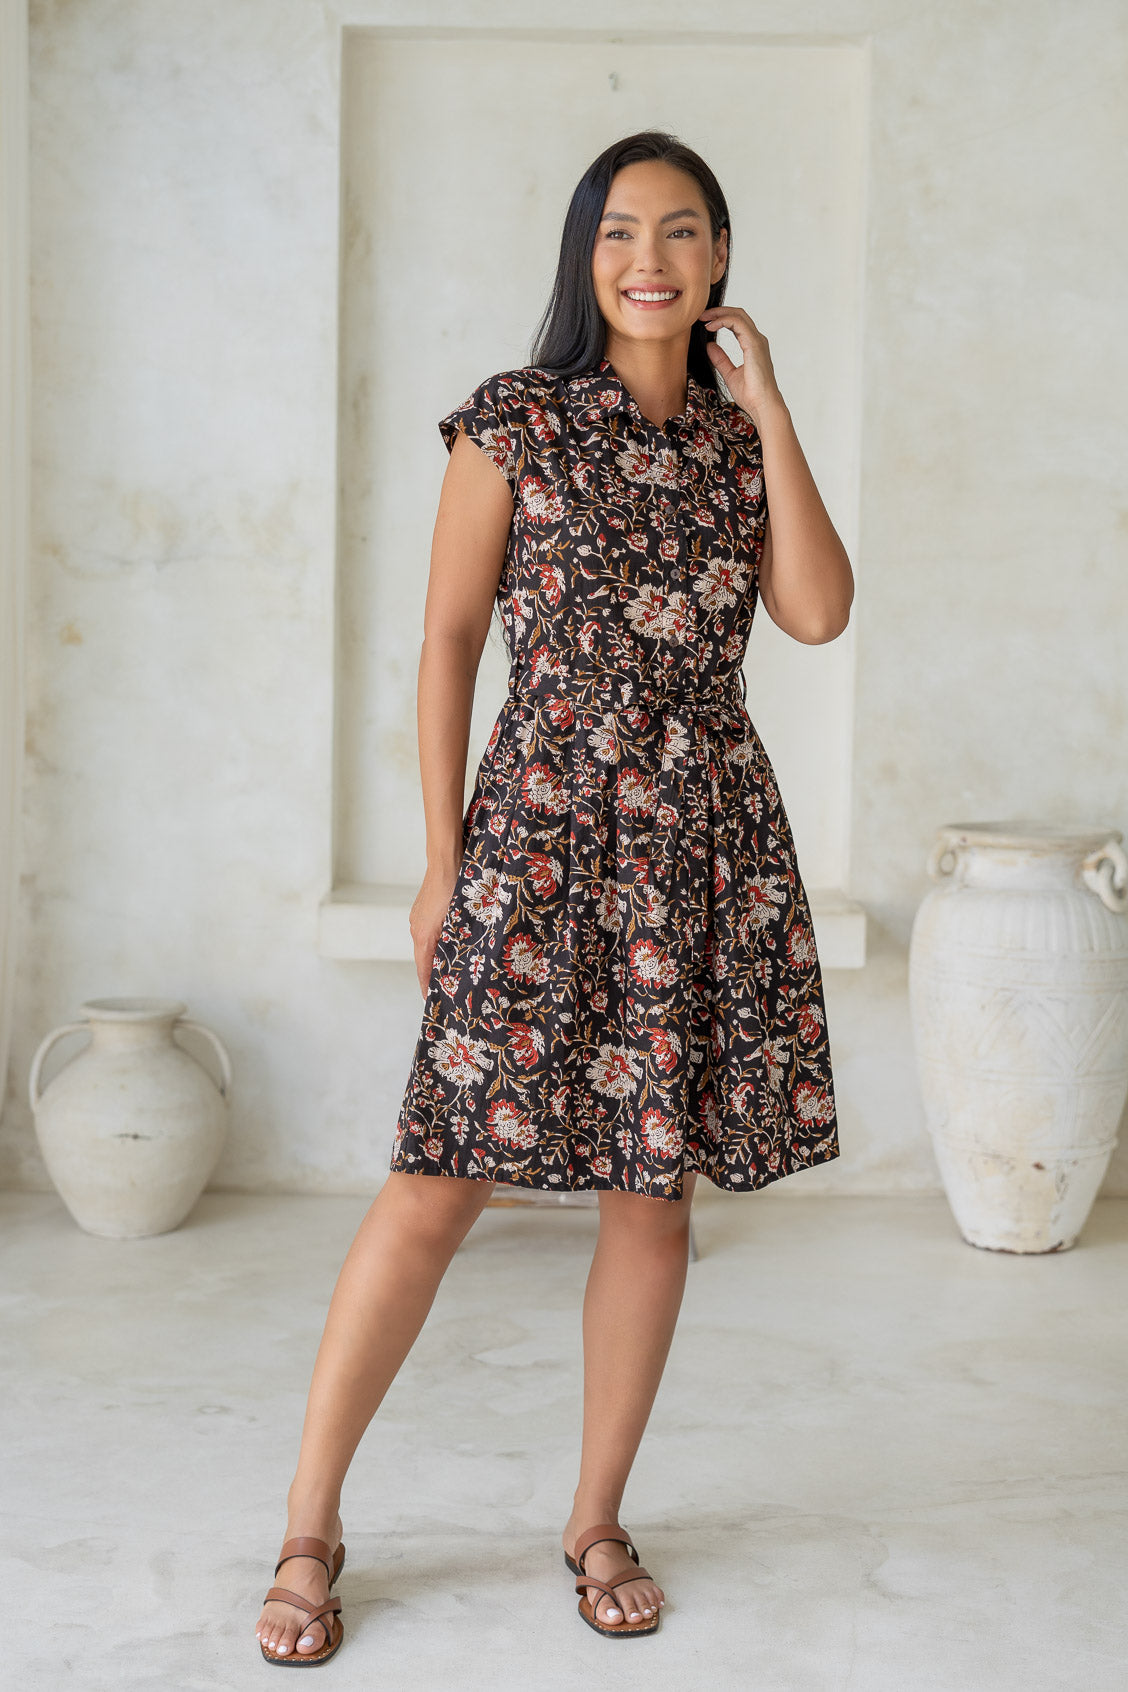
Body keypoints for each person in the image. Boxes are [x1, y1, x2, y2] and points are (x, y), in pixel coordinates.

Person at [255, 129, 853, 1664]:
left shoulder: (738, 446)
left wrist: (772, 409)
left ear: (721, 259)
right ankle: (311, 1525)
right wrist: (443, 860)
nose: (650, 257)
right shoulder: (514, 422)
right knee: (438, 1180)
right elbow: (451, 640)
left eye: (682, 230)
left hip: (701, 845)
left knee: (653, 1200)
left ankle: (596, 1520)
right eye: (620, 232)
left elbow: (817, 610)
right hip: (538, 830)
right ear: (587, 258)